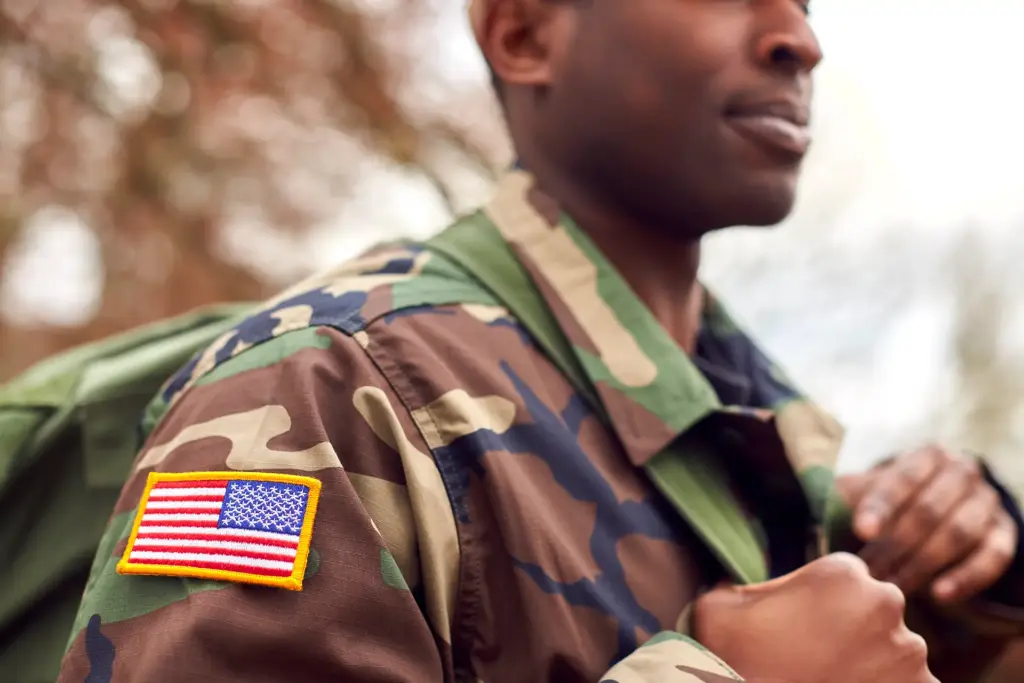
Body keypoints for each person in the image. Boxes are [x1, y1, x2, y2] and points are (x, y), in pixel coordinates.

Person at [56, 1, 1024, 682]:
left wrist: (980, 574)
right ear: (523, 34)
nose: (799, 39)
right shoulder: (327, 387)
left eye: (804, 0)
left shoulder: (760, 443)